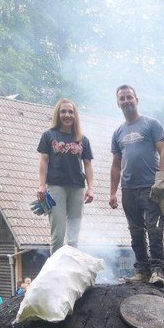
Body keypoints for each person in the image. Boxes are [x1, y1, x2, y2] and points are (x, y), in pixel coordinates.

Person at [109, 85, 164, 287]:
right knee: (135, 230)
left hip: (150, 186)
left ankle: (158, 270)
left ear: (137, 99)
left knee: (154, 229)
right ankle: (142, 270)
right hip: (128, 189)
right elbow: (116, 165)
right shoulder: (118, 132)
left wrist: (161, 181)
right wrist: (112, 193)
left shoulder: (151, 124)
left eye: (129, 97)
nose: (126, 101)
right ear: (118, 103)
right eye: (122, 99)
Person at [37, 98, 94, 253]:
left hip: (77, 188)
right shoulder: (49, 136)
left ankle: (71, 271)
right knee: (58, 233)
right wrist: (42, 185)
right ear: (58, 114)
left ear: (75, 115)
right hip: (56, 188)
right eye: (63, 111)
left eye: (71, 112)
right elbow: (43, 161)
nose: (67, 115)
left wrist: (91, 188)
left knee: (74, 236)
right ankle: (55, 272)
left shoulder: (83, 139)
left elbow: (88, 164)